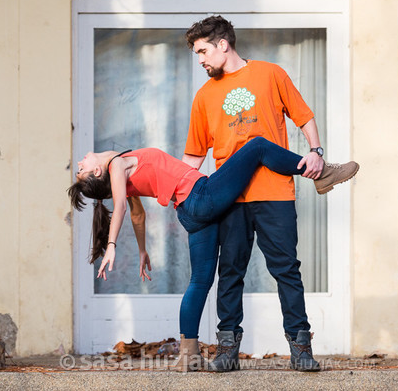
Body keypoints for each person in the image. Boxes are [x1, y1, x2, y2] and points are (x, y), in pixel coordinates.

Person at [68, 137, 356, 372]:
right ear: (98, 172)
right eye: (81, 170)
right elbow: (119, 206)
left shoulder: (122, 169)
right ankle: (319, 172)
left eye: (78, 168)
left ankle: (189, 355)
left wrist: (143, 251)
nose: (80, 163)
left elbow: (138, 215)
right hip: (200, 195)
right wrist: (112, 245)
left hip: (190, 213)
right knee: (256, 147)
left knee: (200, 281)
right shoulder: (117, 164)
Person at [182, 15, 358, 372]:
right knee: (230, 274)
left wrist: (316, 152)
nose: (200, 59)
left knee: (286, 271)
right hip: (229, 200)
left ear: (223, 44)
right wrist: (182, 197)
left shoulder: (270, 73)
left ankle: (301, 349)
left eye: (202, 51)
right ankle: (227, 351)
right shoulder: (203, 96)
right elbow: (193, 157)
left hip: (275, 192)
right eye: (196, 53)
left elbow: (303, 116)